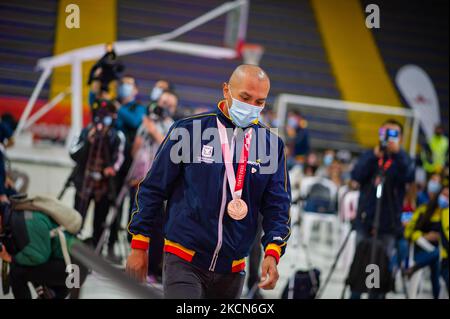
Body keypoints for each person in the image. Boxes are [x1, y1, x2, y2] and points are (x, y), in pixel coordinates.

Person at [126, 64, 291, 299]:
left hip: (233, 270)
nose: (252, 107)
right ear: (226, 90)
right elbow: (152, 189)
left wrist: (273, 253)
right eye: (245, 97)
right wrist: (139, 245)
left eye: (259, 102)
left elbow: (278, 207)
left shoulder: (271, 146)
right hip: (183, 259)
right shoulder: (188, 131)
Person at [349, 119, 415, 299]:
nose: (388, 138)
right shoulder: (371, 155)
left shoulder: (403, 159)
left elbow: (409, 175)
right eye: (385, 133)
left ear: (401, 138)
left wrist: (398, 154)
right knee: (359, 266)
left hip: (388, 224)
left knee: (379, 270)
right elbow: (356, 175)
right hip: (365, 220)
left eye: (393, 134)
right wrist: (374, 156)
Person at [129, 90, 178, 283]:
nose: (164, 106)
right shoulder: (147, 122)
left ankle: (152, 269)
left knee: (157, 229)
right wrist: (143, 132)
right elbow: (135, 151)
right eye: (163, 102)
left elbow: (170, 150)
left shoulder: (174, 127)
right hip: (140, 181)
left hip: (162, 186)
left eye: (170, 104)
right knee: (134, 220)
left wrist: (154, 131)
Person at [0, 200, 87, 299]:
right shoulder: (15, 216)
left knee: (17, 271)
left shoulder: (23, 222)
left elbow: (38, 257)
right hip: (71, 264)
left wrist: (10, 258)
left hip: (74, 270)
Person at [69, 98, 125, 247]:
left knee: (99, 223)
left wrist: (111, 168)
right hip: (83, 185)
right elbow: (73, 153)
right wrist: (88, 141)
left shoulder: (116, 137)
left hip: (104, 189)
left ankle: (96, 250)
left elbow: (119, 159)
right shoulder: (85, 132)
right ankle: (72, 248)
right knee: (76, 220)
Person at [404, 182, 448, 299]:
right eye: (444, 195)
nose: (446, 199)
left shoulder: (446, 215)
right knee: (435, 255)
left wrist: (439, 237)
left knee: (436, 257)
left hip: (440, 253)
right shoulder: (424, 210)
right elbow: (409, 231)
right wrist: (425, 236)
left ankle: (414, 268)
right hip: (421, 249)